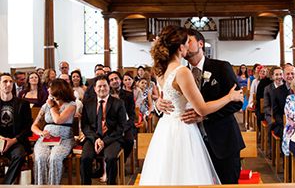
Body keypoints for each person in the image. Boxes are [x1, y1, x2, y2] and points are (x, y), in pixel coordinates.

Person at [147, 26, 244, 185]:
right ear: (180, 46)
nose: (187, 44)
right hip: (188, 139)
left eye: (189, 40)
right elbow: (168, 99)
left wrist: (205, 116)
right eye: (185, 41)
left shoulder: (221, 67)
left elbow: (237, 102)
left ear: (200, 44)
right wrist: (159, 103)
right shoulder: (181, 71)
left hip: (221, 140)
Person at [80, 75, 127, 185]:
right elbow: (85, 126)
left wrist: (104, 141)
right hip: (93, 138)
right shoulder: (88, 103)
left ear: (109, 87)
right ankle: (85, 185)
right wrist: (96, 139)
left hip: (111, 138)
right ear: (95, 89)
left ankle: (111, 185)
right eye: (99, 86)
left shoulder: (118, 103)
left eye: (105, 86)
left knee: (111, 158)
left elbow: (121, 126)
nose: (102, 88)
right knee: (85, 158)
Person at [31, 79, 77, 185]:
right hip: (46, 138)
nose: (47, 89)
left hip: (64, 139)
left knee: (55, 158)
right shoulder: (45, 106)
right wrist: (40, 133)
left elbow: (58, 120)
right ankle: (41, 186)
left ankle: (53, 186)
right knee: (41, 157)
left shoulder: (71, 105)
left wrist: (51, 106)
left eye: (50, 87)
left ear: (58, 89)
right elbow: (34, 126)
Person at [0, 73, 32, 184]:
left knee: (19, 156)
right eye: (5, 81)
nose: (8, 84)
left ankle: (5, 184)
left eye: (10, 82)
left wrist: (13, 140)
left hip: (15, 141)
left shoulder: (22, 104)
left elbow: (27, 128)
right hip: (0, 139)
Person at [107, 71, 136, 162]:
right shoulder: (106, 96)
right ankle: (108, 165)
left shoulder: (128, 95)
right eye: (111, 80)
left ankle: (121, 162)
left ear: (120, 80)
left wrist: (124, 127)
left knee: (129, 141)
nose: (114, 81)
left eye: (116, 78)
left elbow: (132, 114)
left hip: (126, 125)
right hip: (111, 126)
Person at [271, 65, 295, 139]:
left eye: (292, 74)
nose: (290, 76)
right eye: (288, 74)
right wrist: (288, 124)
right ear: (284, 76)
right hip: (283, 124)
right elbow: (276, 114)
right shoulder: (276, 92)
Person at [263, 66, 283, 156]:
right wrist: (272, 114)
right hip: (270, 114)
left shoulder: (286, 87)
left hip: (283, 114)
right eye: (277, 75)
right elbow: (266, 105)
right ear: (273, 76)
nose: (279, 77)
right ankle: (273, 149)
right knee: (272, 123)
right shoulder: (268, 88)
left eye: (281, 74)